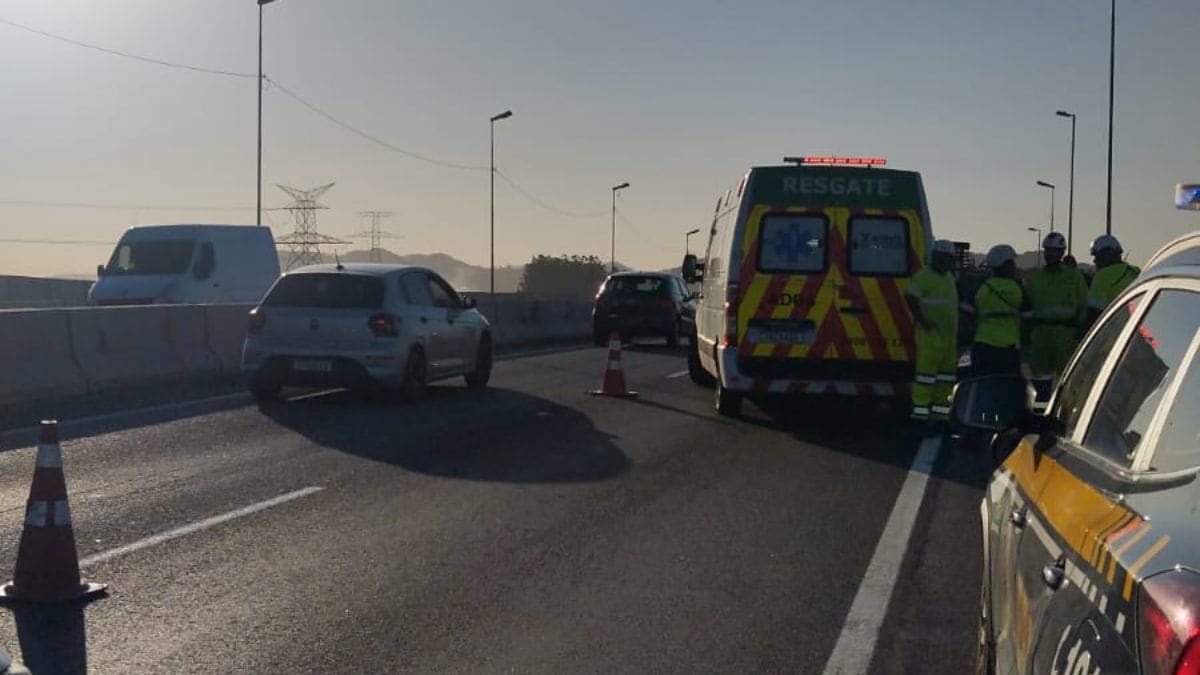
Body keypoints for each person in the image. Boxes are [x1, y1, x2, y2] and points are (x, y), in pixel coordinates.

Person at [905, 239, 959, 431]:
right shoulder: (923, 276)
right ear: (935, 257)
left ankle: (940, 418)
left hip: (948, 338)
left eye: (948, 258)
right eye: (942, 257)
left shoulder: (949, 278)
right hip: (930, 336)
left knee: (945, 380)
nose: (945, 261)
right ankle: (920, 418)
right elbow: (911, 298)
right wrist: (922, 320)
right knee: (925, 378)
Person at [1025, 232, 1088, 380]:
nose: (1050, 254)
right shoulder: (1036, 277)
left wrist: (1080, 330)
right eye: (1047, 250)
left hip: (1066, 334)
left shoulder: (1074, 276)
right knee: (1040, 378)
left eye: (1053, 251)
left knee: (1067, 378)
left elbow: (1083, 303)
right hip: (1041, 334)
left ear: (1061, 252)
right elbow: (1028, 304)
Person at [968, 244, 1025, 377]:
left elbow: (970, 310)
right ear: (1005, 265)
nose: (1014, 266)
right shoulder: (1017, 289)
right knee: (1008, 386)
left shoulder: (982, 287)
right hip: (1009, 347)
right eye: (1011, 263)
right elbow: (1025, 312)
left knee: (982, 383)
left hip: (983, 344)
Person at [1087, 234, 1140, 324]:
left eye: (1097, 256)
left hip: (1114, 331)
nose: (1095, 261)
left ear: (1108, 254)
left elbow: (1093, 313)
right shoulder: (1134, 272)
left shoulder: (1102, 276)